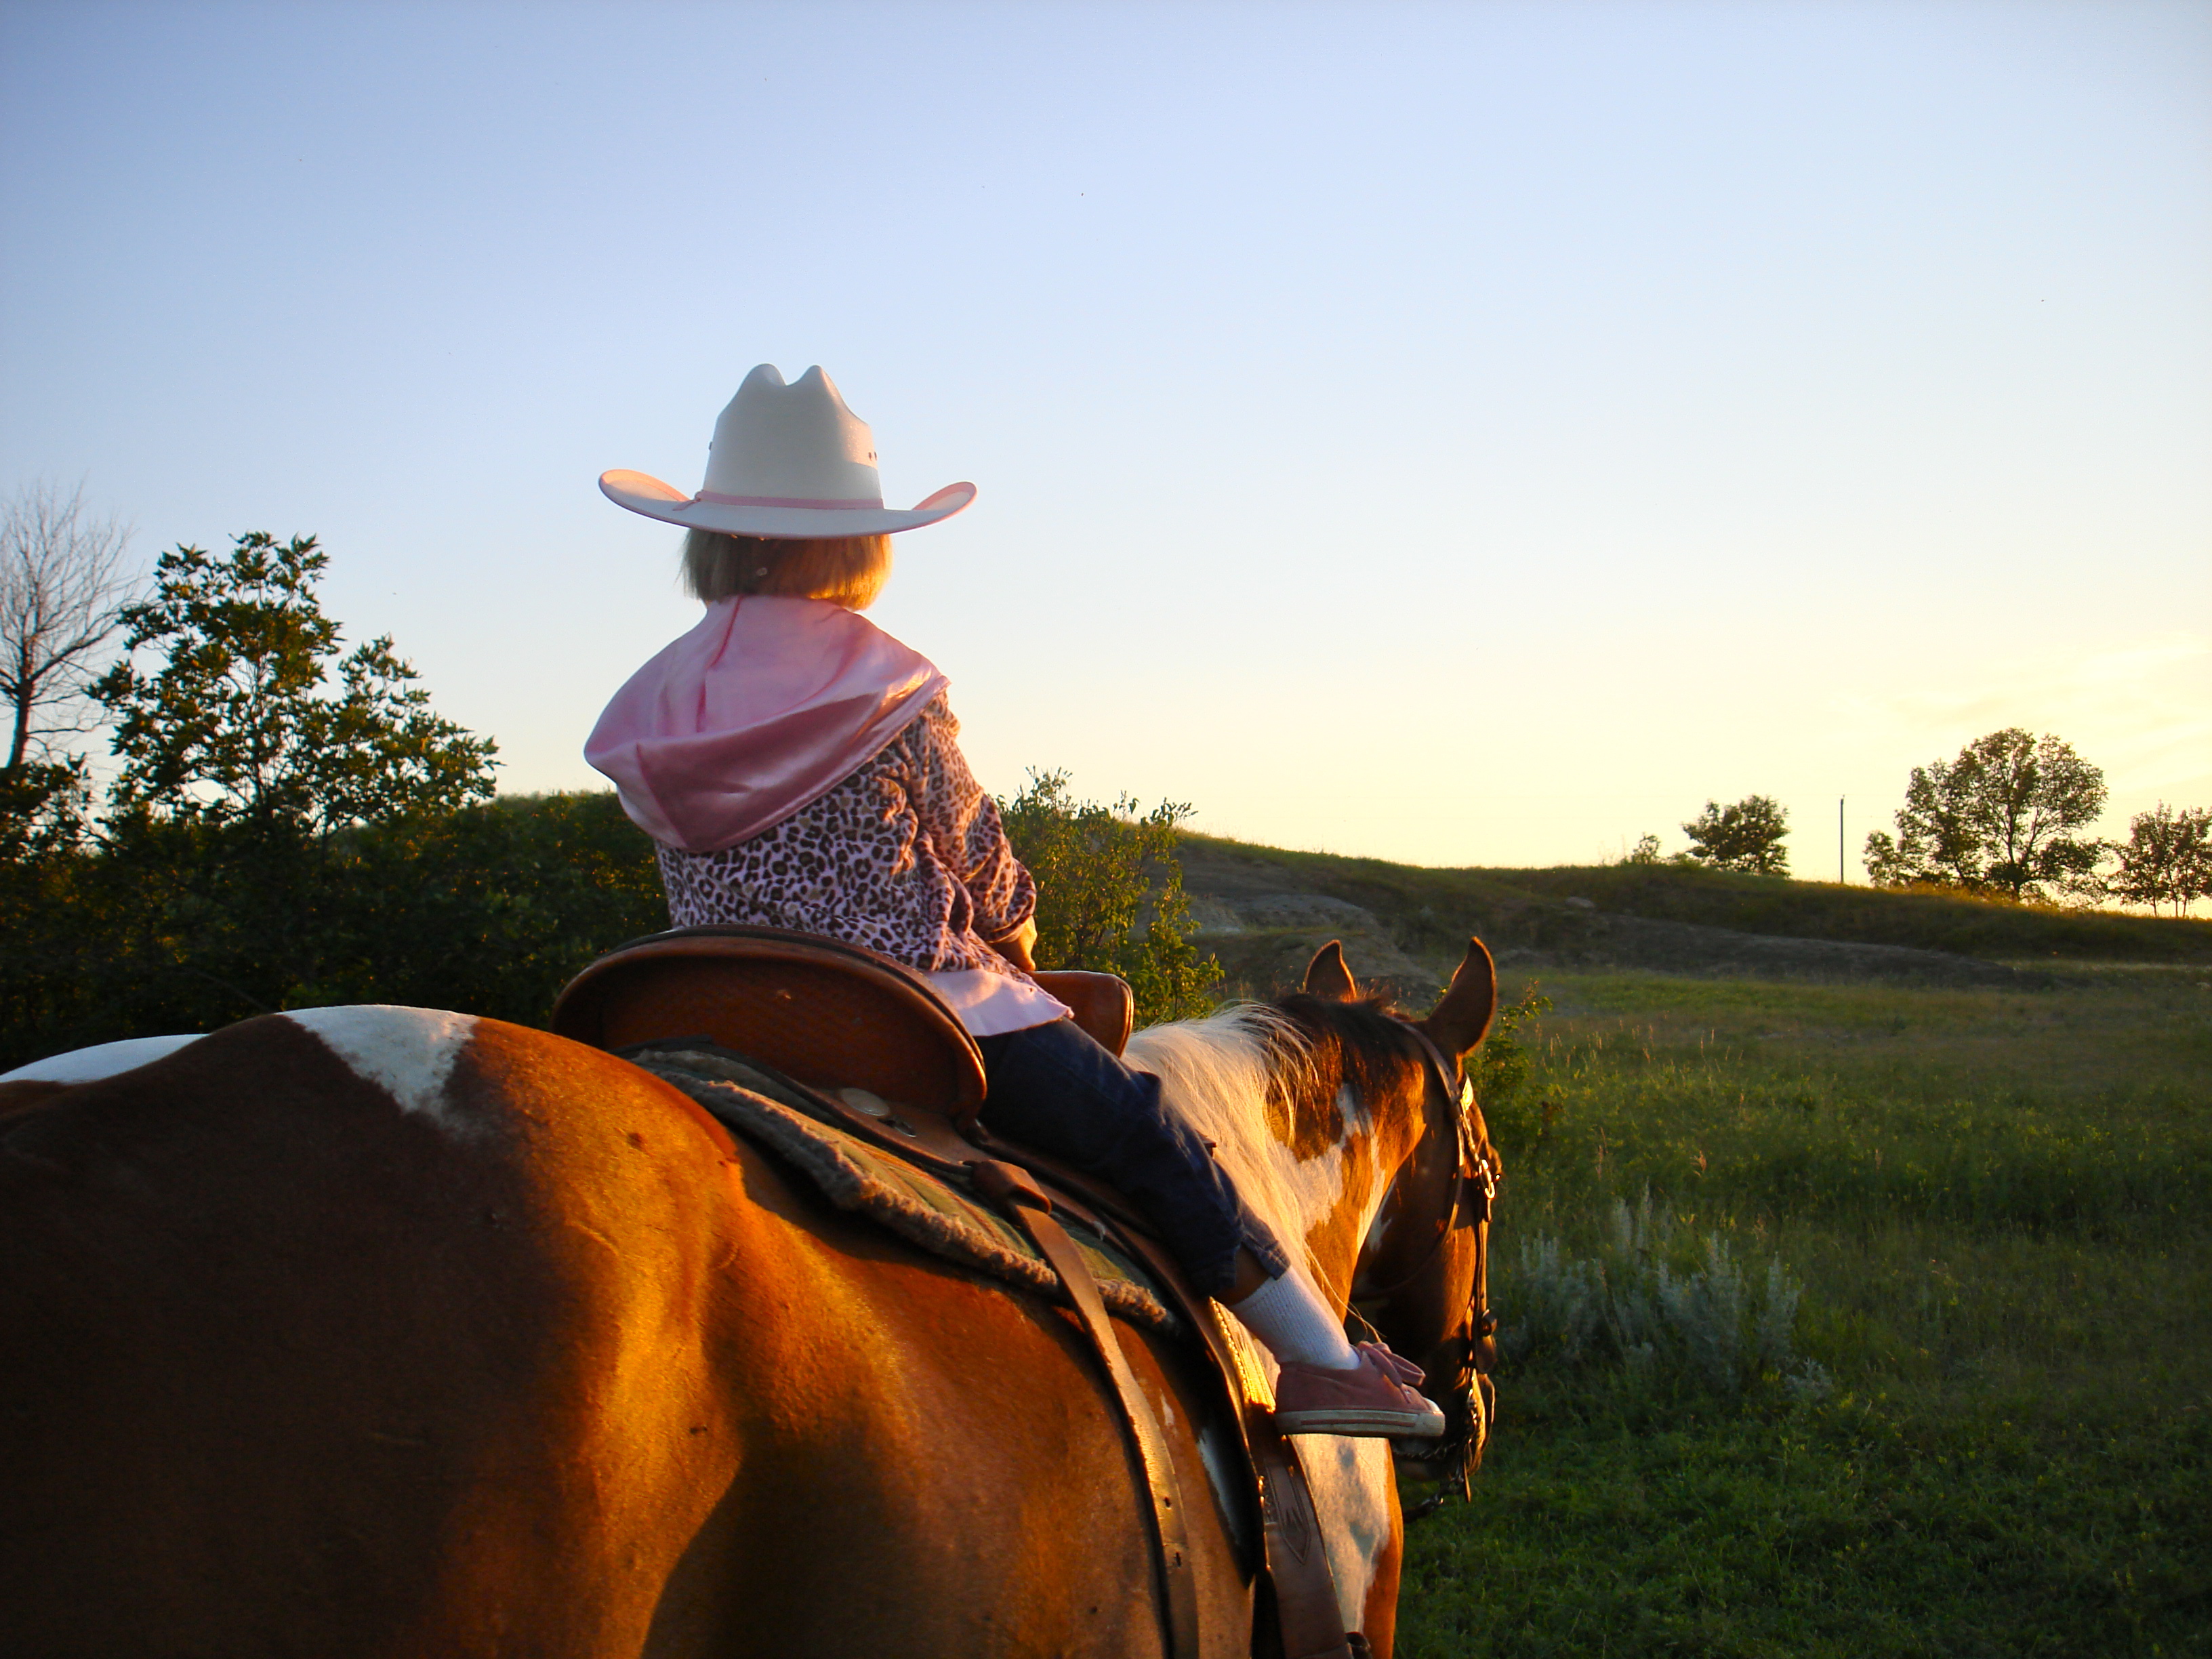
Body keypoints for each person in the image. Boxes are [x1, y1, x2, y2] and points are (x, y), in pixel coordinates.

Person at [586, 364, 1441, 1439]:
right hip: (909, 1006)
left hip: (704, 1003)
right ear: (858, 545)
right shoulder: (885, 683)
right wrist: (1014, 929)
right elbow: (982, 865)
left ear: (709, 536)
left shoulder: (657, 698)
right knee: (1144, 1136)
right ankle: (1322, 1362)